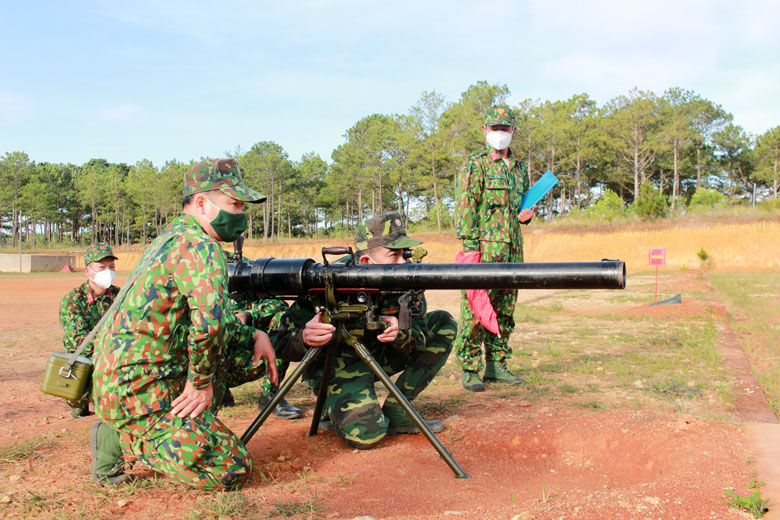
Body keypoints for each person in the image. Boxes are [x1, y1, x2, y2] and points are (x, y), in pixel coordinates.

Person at [89, 158, 313, 489]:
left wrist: (254, 333)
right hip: (138, 389)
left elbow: (213, 318)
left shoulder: (172, 237)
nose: (240, 213)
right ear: (201, 203)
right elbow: (209, 325)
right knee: (232, 469)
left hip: (128, 378)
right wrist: (200, 382)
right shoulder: (200, 246)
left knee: (249, 360)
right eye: (233, 204)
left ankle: (152, 424)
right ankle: (128, 436)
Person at [270, 212, 457, 450]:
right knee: (366, 434)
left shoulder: (406, 281)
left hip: (380, 354)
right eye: (394, 254)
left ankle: (398, 409)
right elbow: (279, 341)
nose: (403, 263)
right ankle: (331, 404)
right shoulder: (326, 280)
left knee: (443, 322)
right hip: (340, 367)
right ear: (367, 262)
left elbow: (419, 336)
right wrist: (304, 338)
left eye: (405, 254)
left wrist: (400, 332)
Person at [454, 104, 536, 392]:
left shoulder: (518, 168)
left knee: (505, 309)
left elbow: (519, 210)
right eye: (494, 128)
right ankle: (469, 368)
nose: (499, 133)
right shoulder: (475, 165)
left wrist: (526, 216)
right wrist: (470, 251)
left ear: (513, 131)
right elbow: (466, 208)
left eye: (505, 129)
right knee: (475, 310)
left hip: (512, 250)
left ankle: (497, 365)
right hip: (484, 252)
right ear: (485, 130)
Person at [58, 243, 120, 418]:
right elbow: (79, 343)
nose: (107, 271)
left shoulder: (120, 296)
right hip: (88, 360)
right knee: (79, 399)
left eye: (111, 267)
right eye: (101, 267)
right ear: (88, 271)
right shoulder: (73, 301)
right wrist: (114, 340)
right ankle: (82, 403)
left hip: (114, 356)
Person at [230, 296, 302, 419]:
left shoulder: (255, 278)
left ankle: (269, 394)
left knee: (283, 319)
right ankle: (216, 389)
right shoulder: (209, 283)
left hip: (255, 358)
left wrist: (249, 315)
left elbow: (279, 304)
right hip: (219, 363)